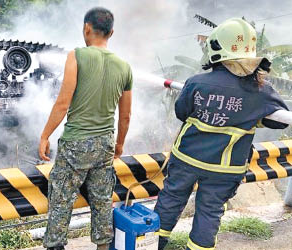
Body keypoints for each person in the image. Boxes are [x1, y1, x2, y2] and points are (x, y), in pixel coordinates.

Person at [154, 18, 289, 250]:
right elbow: (279, 120)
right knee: (209, 212)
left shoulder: (196, 82)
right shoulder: (262, 92)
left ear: (217, 48)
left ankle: (158, 241)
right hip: (225, 169)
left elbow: (181, 112)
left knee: (171, 200)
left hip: (186, 159)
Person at [38, 7, 133, 250]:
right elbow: (125, 116)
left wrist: (45, 135)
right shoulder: (125, 67)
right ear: (112, 32)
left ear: (86, 28)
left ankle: (56, 245)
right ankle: (103, 246)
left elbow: (62, 102)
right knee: (102, 200)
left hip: (76, 144)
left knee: (61, 199)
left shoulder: (76, 56)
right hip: (105, 144)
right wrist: (120, 143)